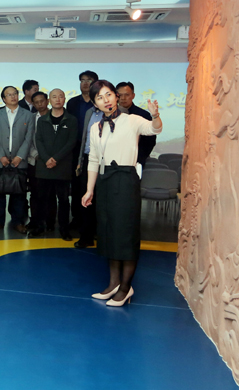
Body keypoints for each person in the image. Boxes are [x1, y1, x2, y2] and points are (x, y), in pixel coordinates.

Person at [82, 80, 161, 307]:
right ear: (95, 103)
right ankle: (113, 284)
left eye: (108, 94)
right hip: (105, 182)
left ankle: (126, 287)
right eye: (99, 97)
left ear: (116, 96)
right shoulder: (95, 128)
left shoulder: (132, 120)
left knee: (125, 234)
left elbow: (154, 129)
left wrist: (155, 115)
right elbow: (93, 160)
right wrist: (89, 190)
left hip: (126, 180)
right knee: (109, 233)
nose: (105, 100)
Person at [0, 86, 34, 231]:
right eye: (9, 95)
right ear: (3, 98)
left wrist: (20, 156)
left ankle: (18, 222)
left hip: (20, 161)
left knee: (19, 193)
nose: (13, 97)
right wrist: (1, 156)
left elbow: (29, 137)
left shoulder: (28, 114)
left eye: (15, 94)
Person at [33, 89, 78, 240]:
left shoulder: (71, 119)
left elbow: (71, 142)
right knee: (41, 198)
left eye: (60, 96)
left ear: (64, 99)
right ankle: (40, 227)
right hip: (44, 166)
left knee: (63, 200)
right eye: (54, 97)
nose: (57, 99)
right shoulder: (42, 120)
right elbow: (38, 140)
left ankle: (64, 229)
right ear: (49, 100)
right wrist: (47, 159)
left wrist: (56, 159)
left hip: (62, 166)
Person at [67, 70, 98, 239]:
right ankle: (77, 218)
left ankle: (93, 221)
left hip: (94, 150)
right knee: (77, 185)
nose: (85, 83)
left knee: (93, 187)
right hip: (75, 149)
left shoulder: (99, 103)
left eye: (89, 80)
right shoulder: (72, 103)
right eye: (82, 80)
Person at [73, 102, 103, 248]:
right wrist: (80, 161)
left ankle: (104, 237)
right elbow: (85, 137)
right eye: (97, 97)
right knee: (86, 199)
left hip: (108, 162)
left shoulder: (121, 113)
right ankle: (86, 236)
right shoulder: (89, 113)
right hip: (88, 159)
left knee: (103, 200)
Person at [25, 91, 49, 235]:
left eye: (42, 101)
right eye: (36, 102)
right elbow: (27, 139)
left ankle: (49, 222)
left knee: (50, 194)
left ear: (47, 101)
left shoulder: (55, 116)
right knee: (35, 193)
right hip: (35, 161)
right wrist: (37, 155)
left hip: (52, 162)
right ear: (33, 104)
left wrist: (48, 157)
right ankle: (35, 221)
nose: (40, 104)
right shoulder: (30, 118)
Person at [116, 81, 157, 165]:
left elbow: (150, 141)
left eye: (127, 95)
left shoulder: (143, 115)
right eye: (120, 95)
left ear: (133, 96)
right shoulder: (109, 114)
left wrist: (138, 159)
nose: (123, 98)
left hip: (135, 161)